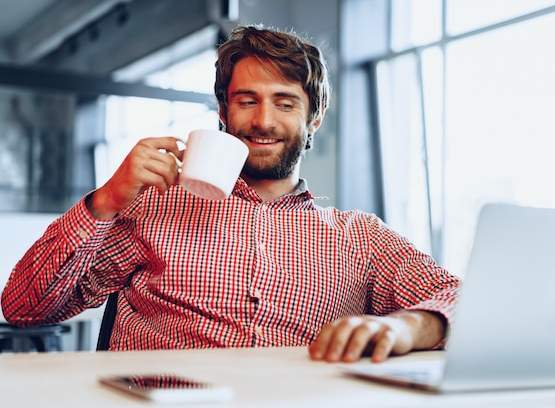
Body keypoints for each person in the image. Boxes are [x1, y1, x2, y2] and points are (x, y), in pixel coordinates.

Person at [1, 25, 459, 363]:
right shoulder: (153, 209)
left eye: (285, 102)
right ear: (224, 111)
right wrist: (106, 200)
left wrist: (405, 325)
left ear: (313, 119)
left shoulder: (360, 236)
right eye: (247, 100)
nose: (263, 121)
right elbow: (23, 308)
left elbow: (460, 300)